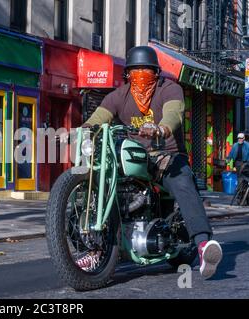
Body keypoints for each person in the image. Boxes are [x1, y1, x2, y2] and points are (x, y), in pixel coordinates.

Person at [80, 46, 222, 279]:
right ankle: (96, 248)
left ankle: (203, 245)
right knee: (102, 183)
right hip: (135, 158)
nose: (140, 75)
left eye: (145, 70)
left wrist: (161, 128)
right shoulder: (119, 95)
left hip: (167, 156)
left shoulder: (170, 88)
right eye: (135, 71)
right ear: (127, 74)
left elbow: (174, 113)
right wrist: (81, 130)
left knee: (182, 180)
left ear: (156, 72)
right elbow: (99, 117)